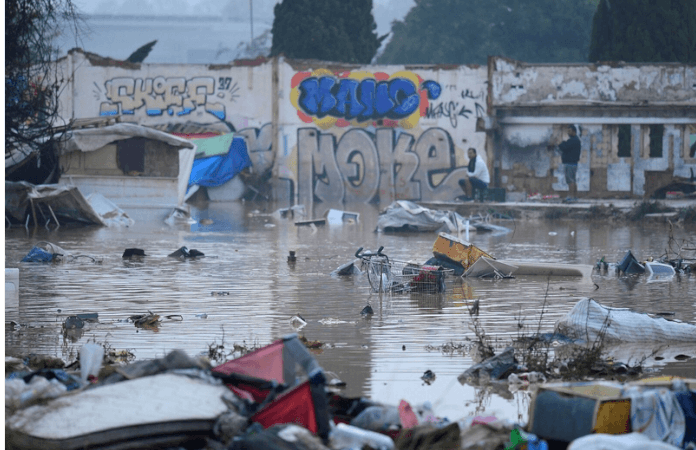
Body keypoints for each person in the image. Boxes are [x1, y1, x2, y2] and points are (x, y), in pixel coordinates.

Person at [549, 125, 581, 201]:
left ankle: (571, 197)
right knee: (573, 180)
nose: (568, 133)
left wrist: (558, 142)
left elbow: (564, 147)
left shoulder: (573, 140)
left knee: (570, 181)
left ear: (574, 131)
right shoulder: (575, 140)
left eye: (569, 131)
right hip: (573, 163)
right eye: (568, 131)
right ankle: (575, 196)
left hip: (570, 163)